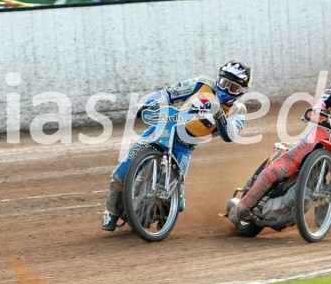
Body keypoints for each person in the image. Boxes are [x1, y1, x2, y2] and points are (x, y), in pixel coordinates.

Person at [227, 53, 331, 225]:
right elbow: (323, 101)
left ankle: (330, 210)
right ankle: (243, 207)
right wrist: (318, 110)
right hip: (318, 136)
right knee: (282, 168)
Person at [102, 61, 253, 231]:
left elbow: (230, 135)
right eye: (224, 83)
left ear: (242, 91)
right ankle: (111, 212)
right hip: (162, 129)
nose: (226, 90)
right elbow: (169, 93)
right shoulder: (201, 84)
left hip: (184, 147)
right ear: (218, 79)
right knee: (121, 173)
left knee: (177, 202)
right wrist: (147, 104)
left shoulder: (238, 110)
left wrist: (219, 115)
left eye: (233, 88)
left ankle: (158, 215)